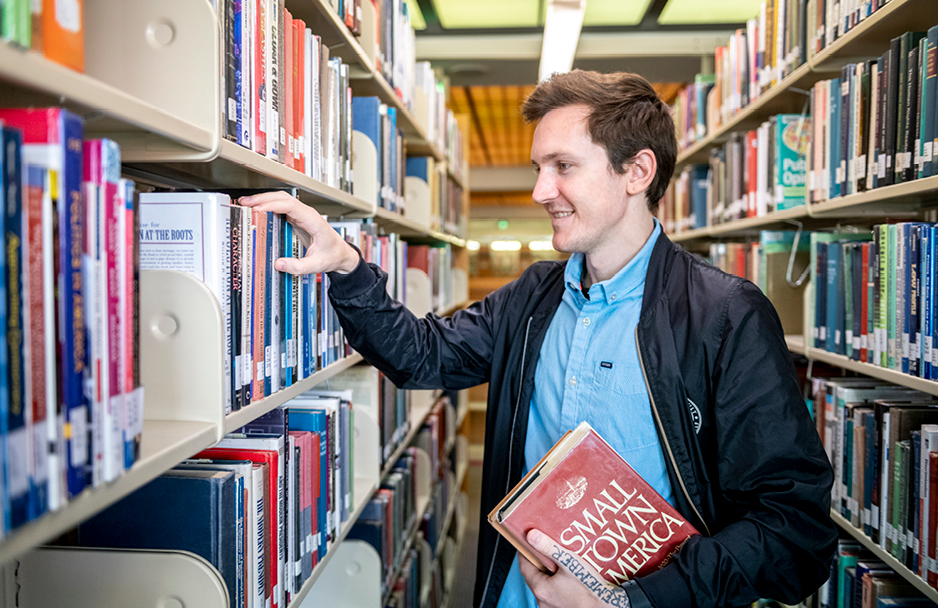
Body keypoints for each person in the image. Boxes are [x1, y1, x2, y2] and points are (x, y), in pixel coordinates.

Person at [240, 69, 837, 608]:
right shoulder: (534, 296)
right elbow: (423, 355)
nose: (539, 191)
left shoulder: (725, 315)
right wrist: (347, 265)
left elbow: (793, 530)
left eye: (563, 166)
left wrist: (634, 601)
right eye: (537, 169)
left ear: (637, 171)